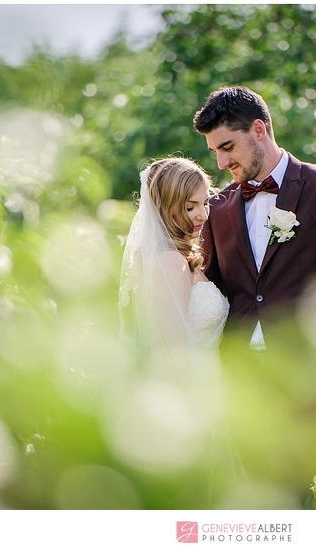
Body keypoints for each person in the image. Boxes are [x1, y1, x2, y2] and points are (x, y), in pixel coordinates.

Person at [193, 86, 316, 504]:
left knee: (299, 499)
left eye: (227, 147)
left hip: (307, 380)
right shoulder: (219, 206)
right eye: (214, 151)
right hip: (240, 383)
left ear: (259, 130)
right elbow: (211, 291)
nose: (222, 162)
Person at [117, 157, 249, 508]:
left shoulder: (181, 258)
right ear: (165, 206)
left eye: (205, 202)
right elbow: (171, 351)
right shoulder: (168, 262)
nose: (202, 215)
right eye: (190, 206)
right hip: (193, 396)